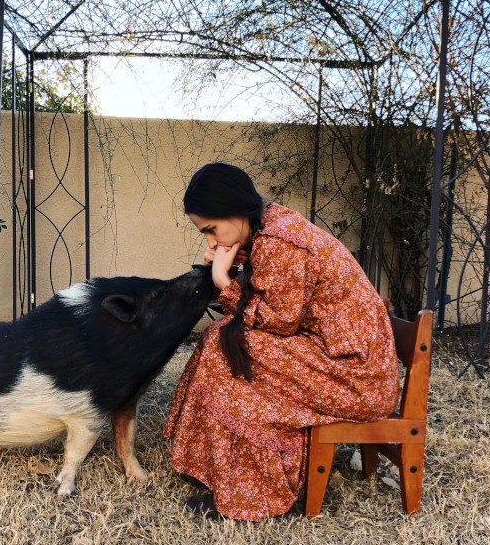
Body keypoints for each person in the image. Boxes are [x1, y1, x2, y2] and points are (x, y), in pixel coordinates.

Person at [163, 162, 400, 521]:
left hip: (357, 377)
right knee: (222, 339)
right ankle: (221, 470)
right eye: (205, 235)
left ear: (235, 210)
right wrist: (234, 265)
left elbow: (276, 322)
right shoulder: (268, 230)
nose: (211, 241)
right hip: (338, 360)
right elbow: (269, 307)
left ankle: (256, 492)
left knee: (229, 346)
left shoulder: (282, 242)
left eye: (211, 230)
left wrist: (224, 279)